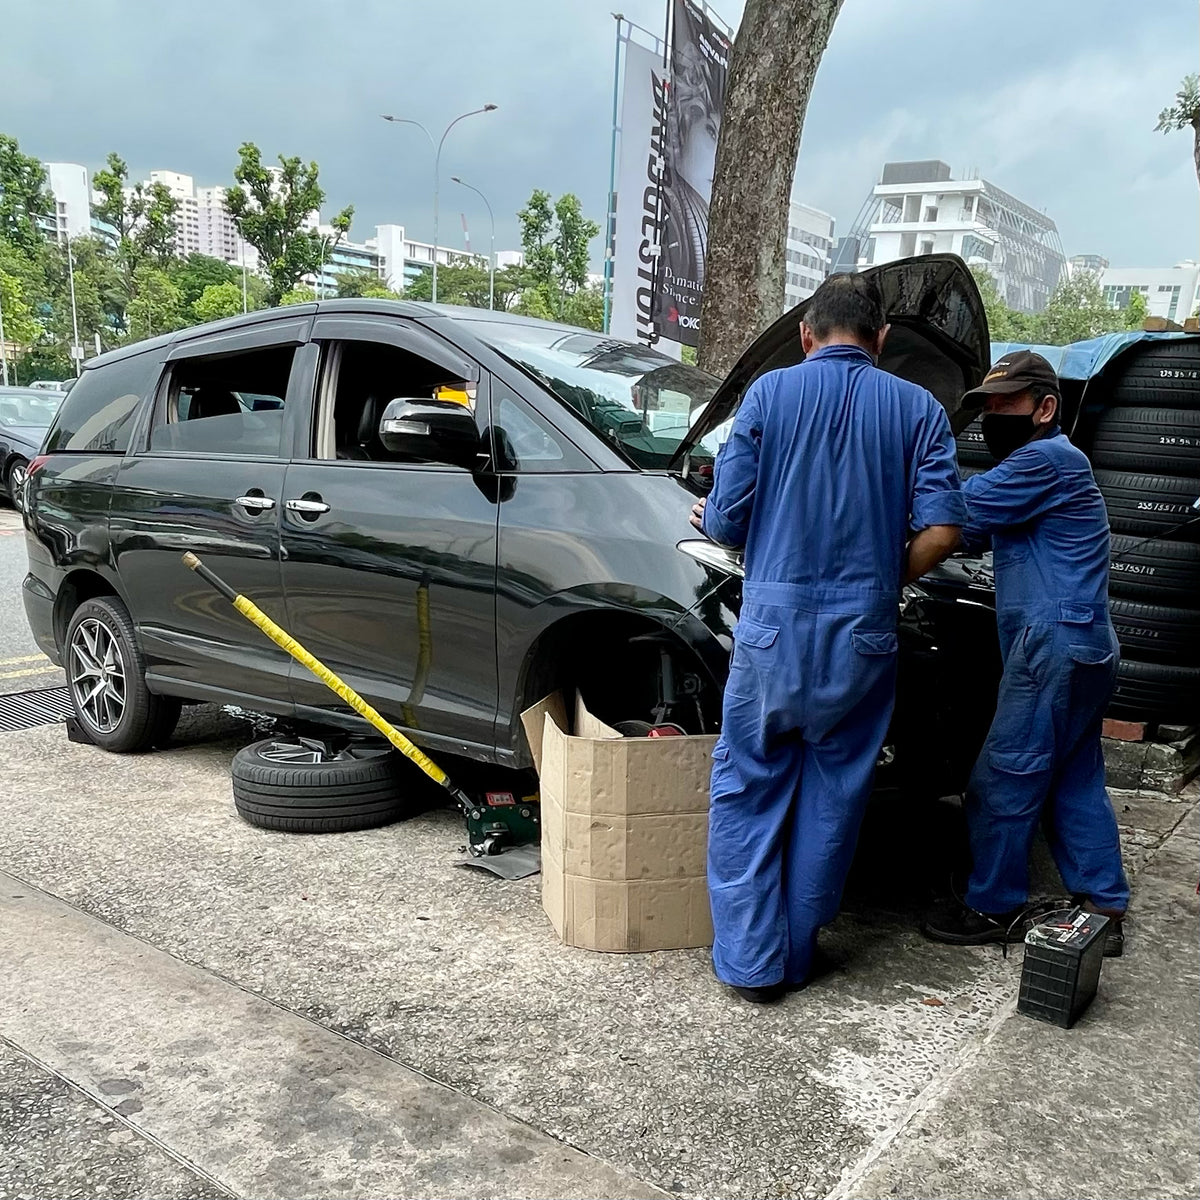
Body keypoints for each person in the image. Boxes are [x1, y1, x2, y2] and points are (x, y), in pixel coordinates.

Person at [690, 273, 965, 1002]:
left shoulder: (770, 395)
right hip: (864, 635)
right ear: (881, 341)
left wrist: (717, 518)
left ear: (808, 336)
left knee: (748, 788)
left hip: (773, 634)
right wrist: (879, 577)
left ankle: (751, 967)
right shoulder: (919, 410)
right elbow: (943, 530)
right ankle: (798, 952)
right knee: (835, 794)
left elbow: (723, 523)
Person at [922, 351, 1129, 955]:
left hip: (1054, 646)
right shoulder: (1044, 470)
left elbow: (953, 514)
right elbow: (977, 531)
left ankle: (994, 905)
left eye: (1006, 403)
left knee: (1002, 778)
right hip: (1086, 644)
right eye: (987, 405)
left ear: (1045, 409)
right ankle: (1102, 904)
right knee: (1072, 775)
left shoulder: (1044, 459)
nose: (993, 415)